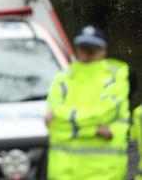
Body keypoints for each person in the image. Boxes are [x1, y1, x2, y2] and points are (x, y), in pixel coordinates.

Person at [45, 26, 130, 180]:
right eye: (82, 48)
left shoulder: (115, 78)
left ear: (103, 51)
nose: (85, 54)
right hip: (65, 173)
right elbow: (53, 122)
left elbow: (103, 113)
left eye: (91, 49)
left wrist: (65, 122)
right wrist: (92, 130)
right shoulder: (63, 78)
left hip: (103, 173)